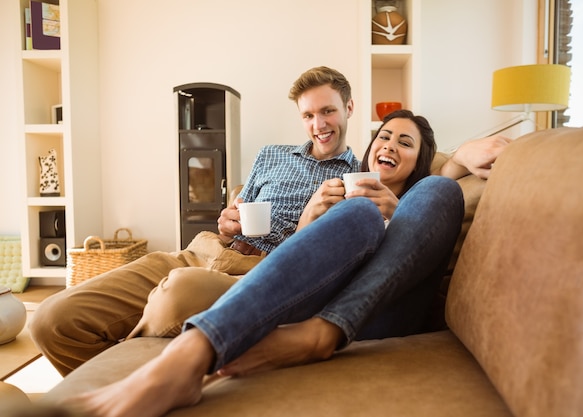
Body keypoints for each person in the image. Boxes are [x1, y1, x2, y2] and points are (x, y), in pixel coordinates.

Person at [31, 66, 509, 378]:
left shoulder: (362, 174)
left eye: (328, 111)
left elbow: (430, 180)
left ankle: (172, 372)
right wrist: (227, 221)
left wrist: (462, 153)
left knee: (177, 295)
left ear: (349, 111)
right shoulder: (271, 154)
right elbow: (233, 213)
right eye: (308, 115)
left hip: (264, 273)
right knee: (53, 321)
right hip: (202, 251)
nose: (319, 123)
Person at [58, 108, 464, 417]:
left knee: (442, 190)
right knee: (357, 215)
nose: (390, 145)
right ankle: (188, 356)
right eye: (385, 136)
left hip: (380, 312)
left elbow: (445, 184)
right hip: (311, 301)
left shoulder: (421, 198)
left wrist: (401, 210)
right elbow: (294, 263)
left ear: (418, 160)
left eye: (405, 143)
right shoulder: (340, 193)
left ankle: (321, 335)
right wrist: (313, 217)